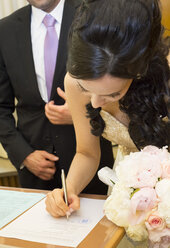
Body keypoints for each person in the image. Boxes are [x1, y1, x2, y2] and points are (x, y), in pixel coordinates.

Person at [45, 0, 170, 236]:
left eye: (113, 94)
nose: (94, 103)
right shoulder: (73, 81)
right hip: (126, 194)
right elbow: (87, 153)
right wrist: (69, 188)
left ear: (139, 70)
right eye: (85, 89)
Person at [0, 0, 114, 192]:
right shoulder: (5, 30)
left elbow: (119, 88)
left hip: (92, 167)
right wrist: (23, 155)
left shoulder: (95, 18)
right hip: (34, 171)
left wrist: (82, 115)